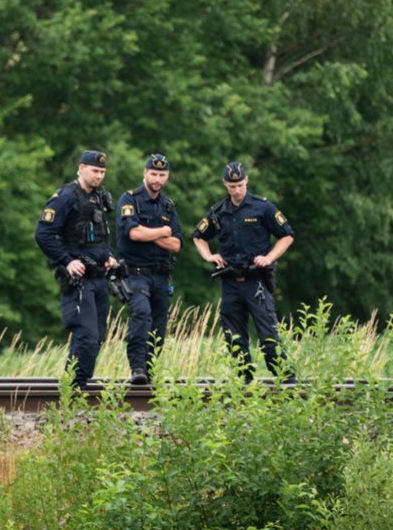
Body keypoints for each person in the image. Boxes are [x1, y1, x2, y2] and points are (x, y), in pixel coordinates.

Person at [192, 162, 295, 382]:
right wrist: (209, 256)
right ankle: (245, 381)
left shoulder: (263, 207)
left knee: (268, 336)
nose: (236, 190)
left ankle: (287, 381)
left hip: (256, 281)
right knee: (234, 337)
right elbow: (198, 236)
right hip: (230, 281)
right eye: (231, 186)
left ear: (246, 181)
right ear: (225, 184)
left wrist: (269, 257)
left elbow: (287, 235)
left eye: (239, 185)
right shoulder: (218, 211)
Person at [35, 150, 120, 390]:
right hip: (78, 280)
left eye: (102, 172)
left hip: (99, 278)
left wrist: (109, 257)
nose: (99, 176)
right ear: (81, 168)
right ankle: (75, 388)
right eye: (95, 171)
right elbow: (43, 234)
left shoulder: (99, 198)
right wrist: (66, 260)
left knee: (97, 336)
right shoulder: (65, 197)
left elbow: (101, 238)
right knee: (86, 335)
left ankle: (74, 385)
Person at [115, 153, 182, 384]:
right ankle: (137, 368)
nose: (157, 179)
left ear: (167, 176)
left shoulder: (168, 206)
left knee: (159, 325)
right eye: (153, 174)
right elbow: (133, 233)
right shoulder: (129, 199)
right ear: (145, 173)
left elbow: (176, 244)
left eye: (162, 175)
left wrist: (149, 234)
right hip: (135, 274)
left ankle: (149, 370)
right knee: (141, 314)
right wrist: (163, 231)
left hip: (161, 275)